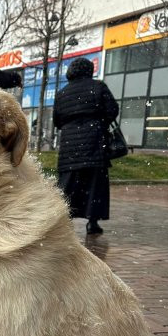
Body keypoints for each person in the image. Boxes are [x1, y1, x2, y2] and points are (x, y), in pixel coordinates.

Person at [53, 57, 119, 236]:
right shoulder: (98, 87)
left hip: (69, 146)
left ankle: (62, 220)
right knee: (95, 184)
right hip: (95, 142)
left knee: (67, 185)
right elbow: (113, 109)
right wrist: (99, 121)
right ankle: (93, 221)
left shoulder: (62, 93)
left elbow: (57, 120)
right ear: (89, 70)